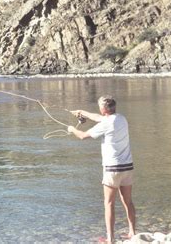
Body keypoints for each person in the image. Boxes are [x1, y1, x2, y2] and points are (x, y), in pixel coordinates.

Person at [67, 95, 136, 243]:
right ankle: (132, 233)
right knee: (128, 201)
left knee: (109, 203)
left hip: (112, 169)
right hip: (127, 167)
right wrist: (82, 112)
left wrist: (72, 129)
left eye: (100, 106)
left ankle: (110, 240)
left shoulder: (105, 124)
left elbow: (83, 136)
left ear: (103, 109)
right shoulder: (121, 118)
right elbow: (99, 117)